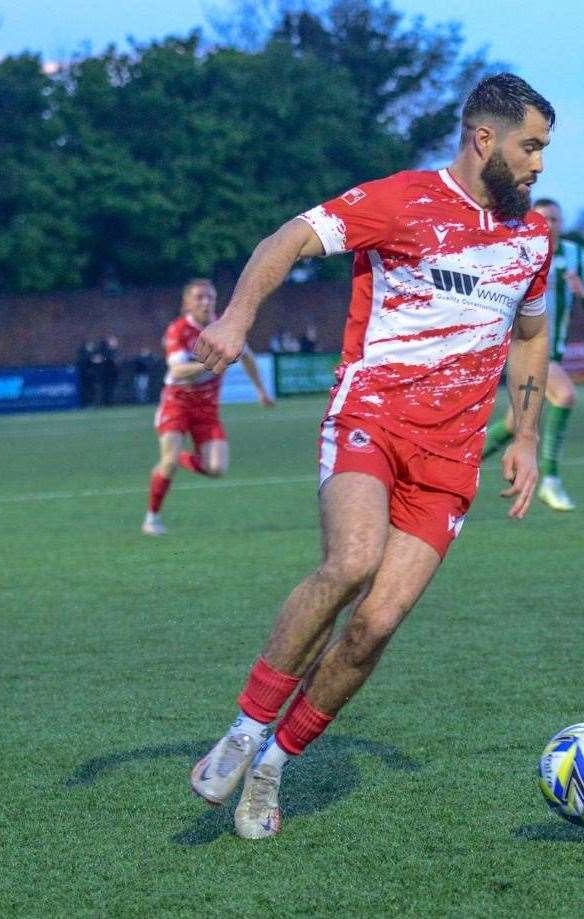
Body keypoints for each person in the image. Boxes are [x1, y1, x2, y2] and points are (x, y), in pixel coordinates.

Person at [188, 73, 555, 840]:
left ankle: (274, 765)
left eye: (544, 150)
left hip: (451, 458)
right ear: (483, 139)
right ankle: (244, 729)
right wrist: (236, 317)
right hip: (373, 418)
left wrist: (522, 437)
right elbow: (285, 237)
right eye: (530, 147)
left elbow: (529, 337)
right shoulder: (400, 200)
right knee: (351, 561)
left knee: (376, 624)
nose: (538, 166)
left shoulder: (532, 239)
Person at [480, 197, 584, 510]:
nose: (550, 225)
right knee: (565, 396)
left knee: (513, 424)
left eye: (555, 219)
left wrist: (583, 294)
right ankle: (550, 481)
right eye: (543, 218)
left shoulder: (576, 255)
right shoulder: (517, 249)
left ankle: (444, 466)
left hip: (553, 349)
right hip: (524, 343)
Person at [143, 280, 272, 536]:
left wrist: (260, 391)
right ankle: (152, 518)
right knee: (166, 462)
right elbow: (177, 370)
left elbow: (247, 356)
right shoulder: (178, 330)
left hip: (207, 409)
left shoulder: (225, 329)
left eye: (210, 297)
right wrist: (211, 362)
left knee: (216, 469)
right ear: (187, 303)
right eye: (199, 297)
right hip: (177, 402)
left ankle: (178, 457)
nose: (205, 302)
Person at [98, 335, 121, 406]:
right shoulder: (106, 350)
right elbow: (105, 359)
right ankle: (106, 402)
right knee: (106, 389)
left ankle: (110, 402)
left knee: (111, 389)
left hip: (113, 373)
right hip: (106, 373)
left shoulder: (114, 351)